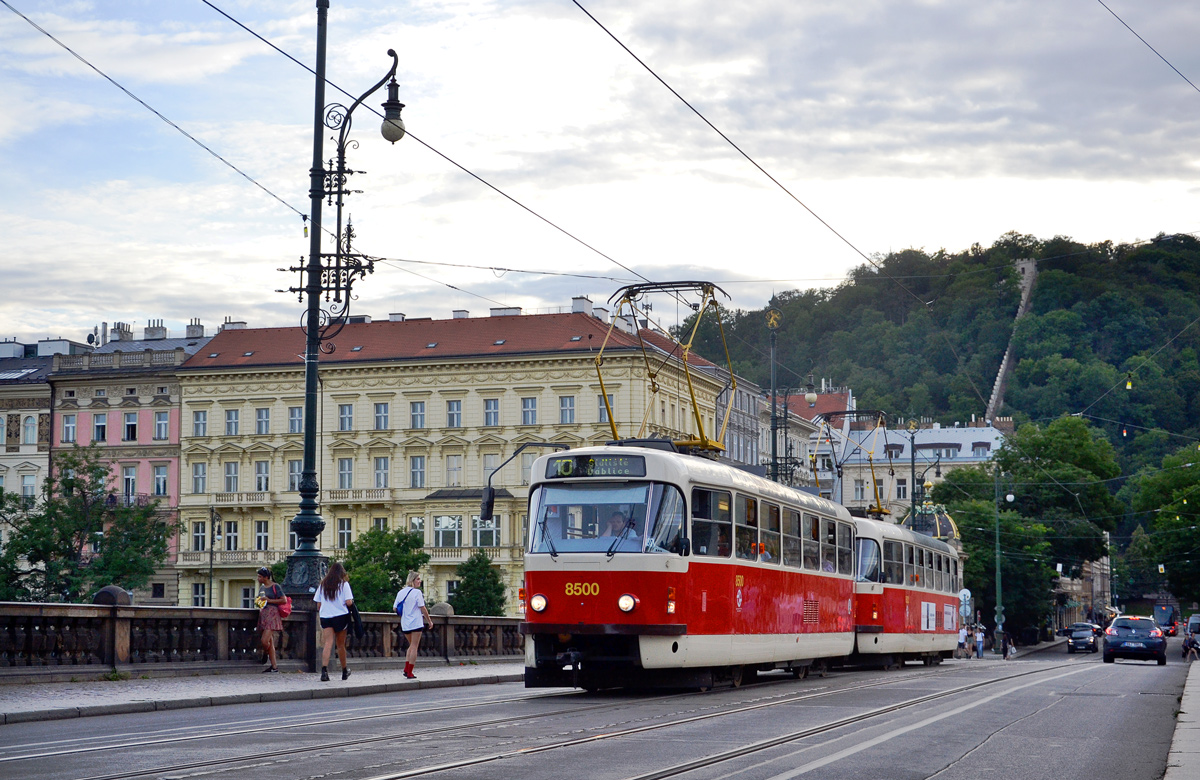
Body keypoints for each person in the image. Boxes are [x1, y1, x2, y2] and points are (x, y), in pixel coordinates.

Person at [314, 561, 354, 682]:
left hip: (326, 616)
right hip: (340, 616)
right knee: (340, 645)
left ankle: (324, 671)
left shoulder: (323, 585)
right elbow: (349, 602)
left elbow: (318, 604)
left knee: (328, 643)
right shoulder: (344, 585)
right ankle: (344, 670)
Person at [393, 571, 434, 679]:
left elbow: (395, 608)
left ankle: (406, 669)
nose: (419, 581)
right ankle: (410, 671)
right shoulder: (417, 592)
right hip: (416, 622)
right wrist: (429, 621)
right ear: (412, 580)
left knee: (411, 646)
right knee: (414, 646)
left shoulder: (401, 592)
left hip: (405, 623)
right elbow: (422, 608)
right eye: (418, 579)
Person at [256, 567, 286, 673]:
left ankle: (266, 652)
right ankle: (274, 666)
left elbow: (283, 600)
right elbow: (259, 599)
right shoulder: (262, 588)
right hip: (264, 614)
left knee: (264, 641)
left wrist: (269, 600)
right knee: (270, 641)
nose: (258, 578)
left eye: (260, 576)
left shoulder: (275, 586)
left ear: (266, 577)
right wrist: (259, 602)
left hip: (272, 614)